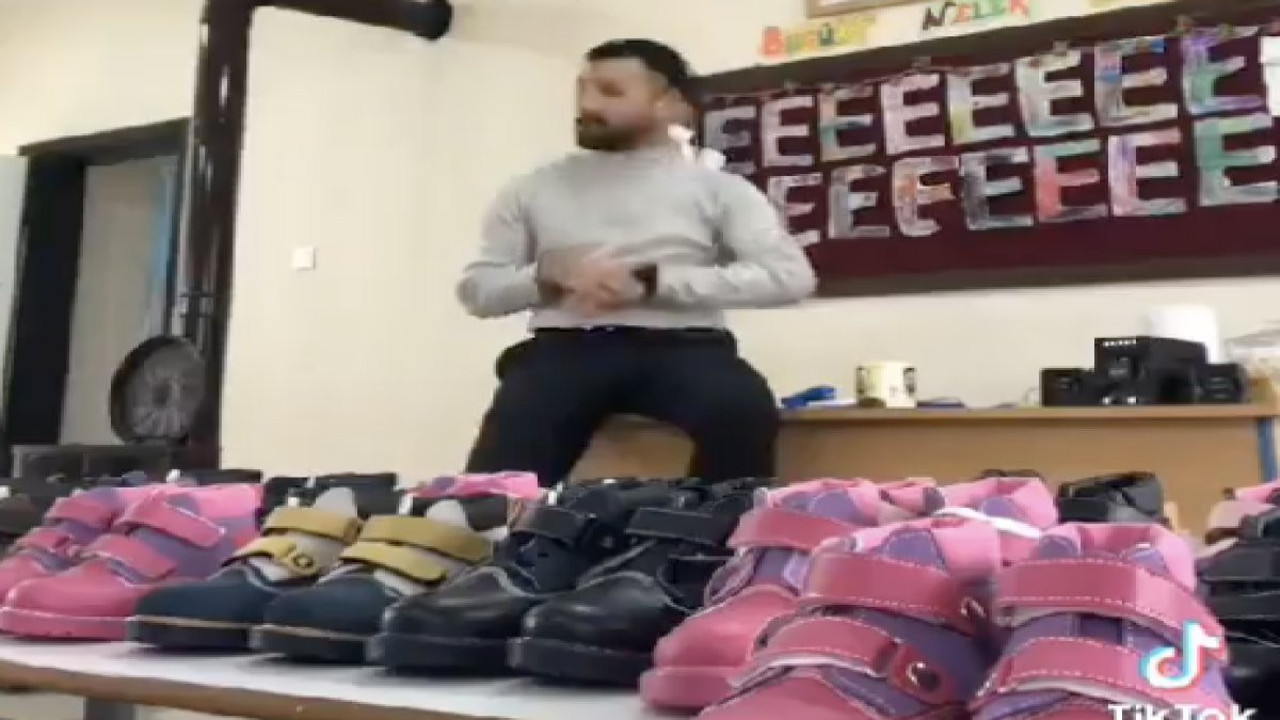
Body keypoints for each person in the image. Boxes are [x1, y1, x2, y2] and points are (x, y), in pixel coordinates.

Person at [456, 38, 817, 487]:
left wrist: (653, 282)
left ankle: (711, 527)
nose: (588, 104)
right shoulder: (531, 188)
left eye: (610, 92)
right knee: (501, 465)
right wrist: (546, 277)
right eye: (583, 89)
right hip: (565, 350)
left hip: (686, 349)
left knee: (742, 409)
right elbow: (478, 292)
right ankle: (481, 525)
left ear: (670, 104)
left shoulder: (721, 190)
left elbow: (789, 277)